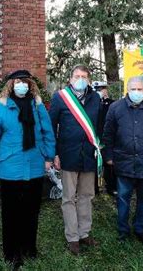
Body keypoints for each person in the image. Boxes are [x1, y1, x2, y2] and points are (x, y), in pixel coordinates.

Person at [0, 70, 55, 267]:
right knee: (11, 212)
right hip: (10, 166)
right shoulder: (2, 107)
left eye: (25, 82)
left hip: (34, 165)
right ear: (11, 85)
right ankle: (12, 252)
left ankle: (29, 247)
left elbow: (47, 131)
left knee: (31, 210)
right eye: (18, 82)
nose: (21, 85)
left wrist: (49, 156)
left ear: (30, 84)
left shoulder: (38, 106)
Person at [102, 77, 143, 244]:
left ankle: (140, 229)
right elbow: (108, 134)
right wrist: (109, 157)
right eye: (133, 89)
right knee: (123, 198)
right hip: (123, 162)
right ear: (127, 90)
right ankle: (123, 231)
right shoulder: (115, 107)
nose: (136, 92)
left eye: (140, 89)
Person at [49, 64, 102, 255]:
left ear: (88, 79)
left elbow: (100, 126)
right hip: (67, 154)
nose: (80, 79)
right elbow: (51, 125)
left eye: (84, 76)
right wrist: (54, 153)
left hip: (89, 155)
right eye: (76, 76)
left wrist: (99, 148)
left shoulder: (95, 98)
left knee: (87, 196)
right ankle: (72, 237)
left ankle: (84, 233)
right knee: (69, 197)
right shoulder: (60, 97)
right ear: (70, 78)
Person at [92, 81, 116, 195]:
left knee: (109, 164)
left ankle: (111, 187)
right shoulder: (91, 104)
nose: (101, 91)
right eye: (98, 89)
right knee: (94, 164)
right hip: (94, 138)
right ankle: (95, 188)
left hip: (107, 137)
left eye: (102, 88)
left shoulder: (112, 103)